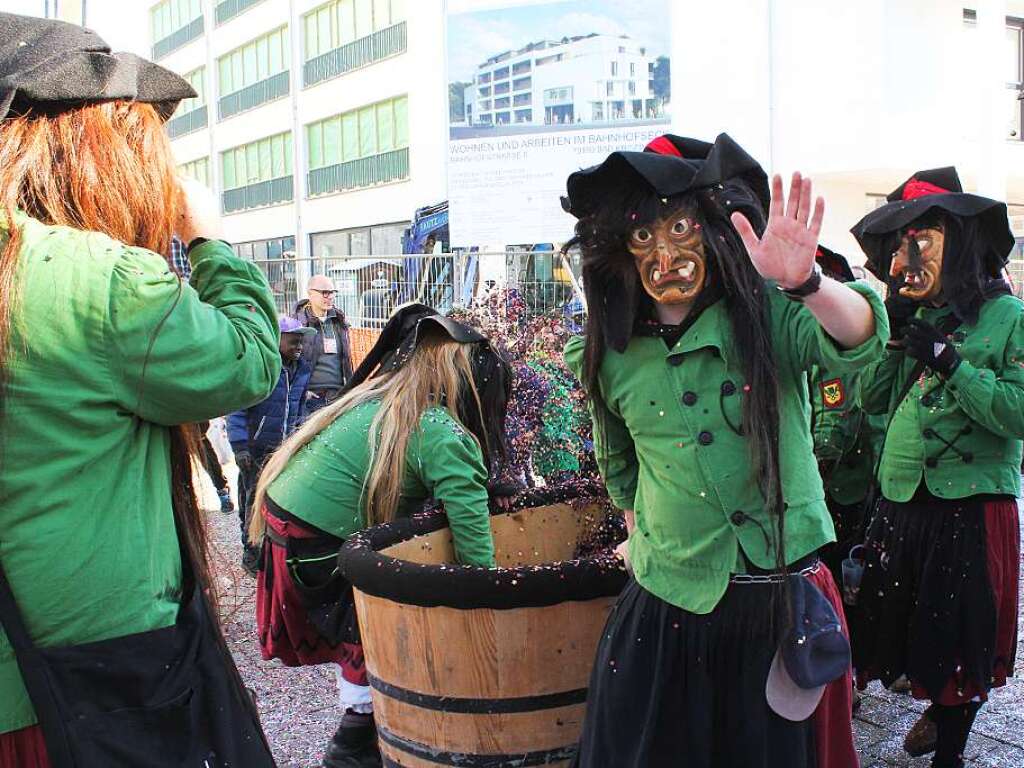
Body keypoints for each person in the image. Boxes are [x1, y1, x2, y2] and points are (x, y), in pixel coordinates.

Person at [0, 13, 280, 767]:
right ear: (76, 147)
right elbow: (250, 360)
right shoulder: (94, 279)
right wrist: (210, 239)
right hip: (87, 684)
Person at [561, 133, 886, 767]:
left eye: (679, 227)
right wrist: (642, 537)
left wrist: (810, 283)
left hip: (775, 600)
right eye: (642, 236)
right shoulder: (609, 354)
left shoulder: (768, 315)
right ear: (618, 254)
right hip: (668, 607)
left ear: (711, 231)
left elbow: (860, 338)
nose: (665, 255)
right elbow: (620, 467)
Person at [249, 303, 511, 768]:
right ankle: (357, 743)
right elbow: (473, 543)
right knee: (381, 632)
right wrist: (488, 612)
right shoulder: (440, 431)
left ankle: (359, 731)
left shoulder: (380, 401)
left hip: (287, 535)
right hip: (317, 548)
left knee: (368, 633)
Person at [851, 167, 1022, 768]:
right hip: (904, 503)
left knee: (960, 641)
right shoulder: (924, 316)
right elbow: (870, 405)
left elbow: (1017, 412)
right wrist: (896, 343)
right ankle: (931, 710)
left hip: (970, 507)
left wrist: (951, 361)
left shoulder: (1010, 318)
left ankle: (951, 751)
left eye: (921, 239)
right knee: (901, 631)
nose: (906, 257)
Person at [228, 315, 315, 574]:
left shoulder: (301, 370)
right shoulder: (260, 368)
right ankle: (251, 552)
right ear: (276, 339)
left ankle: (267, 548)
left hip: (282, 447)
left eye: (301, 342)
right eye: (293, 341)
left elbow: (298, 408)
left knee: (273, 499)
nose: (299, 346)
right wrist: (239, 445)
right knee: (253, 498)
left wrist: (298, 439)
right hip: (255, 447)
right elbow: (237, 406)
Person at [294, 274, 353, 417]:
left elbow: (346, 360)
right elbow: (291, 362)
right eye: (325, 293)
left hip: (337, 396)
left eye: (332, 292)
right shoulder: (298, 323)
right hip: (311, 398)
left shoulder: (339, 322)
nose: (330, 297)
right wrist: (303, 392)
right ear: (310, 294)